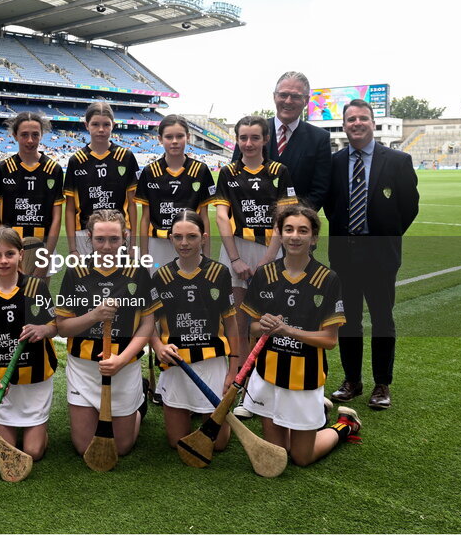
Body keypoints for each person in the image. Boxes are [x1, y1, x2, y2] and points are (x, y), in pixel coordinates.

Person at [240, 204, 362, 465]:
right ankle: (319, 414)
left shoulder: (327, 279)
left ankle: (344, 425)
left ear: (314, 238)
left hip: (304, 378)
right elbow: (250, 327)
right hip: (268, 375)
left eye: (303, 230)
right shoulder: (264, 274)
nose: (295, 236)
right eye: (289, 229)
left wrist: (288, 331)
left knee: (301, 458)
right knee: (279, 454)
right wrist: (263, 326)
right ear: (280, 235)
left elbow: (329, 341)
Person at [325, 99, 419, 410]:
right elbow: (331, 206)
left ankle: (382, 384)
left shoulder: (397, 161)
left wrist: (385, 237)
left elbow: (409, 207)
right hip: (344, 254)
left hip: (380, 255)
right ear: (344, 125)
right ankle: (352, 380)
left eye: (362, 118)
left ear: (373, 123)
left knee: (382, 319)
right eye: (351, 119)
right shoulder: (335, 162)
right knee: (348, 320)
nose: (357, 124)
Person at [214, 115, 298, 417]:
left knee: (266, 320)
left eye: (254, 138)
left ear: (265, 140)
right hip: (235, 250)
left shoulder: (279, 172)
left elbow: (283, 220)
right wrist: (235, 257)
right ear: (237, 140)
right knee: (236, 320)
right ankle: (236, 383)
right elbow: (222, 217)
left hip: (270, 252)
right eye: (243, 138)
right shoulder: (228, 172)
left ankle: (261, 388)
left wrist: (266, 260)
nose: (248, 144)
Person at [55, 209, 157, 457]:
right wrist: (94, 316)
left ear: (125, 237)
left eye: (114, 239)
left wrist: (122, 360)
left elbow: (147, 324)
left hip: (123, 365)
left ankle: (138, 404)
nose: (107, 246)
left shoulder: (138, 272)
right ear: (89, 237)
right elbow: (62, 326)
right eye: (100, 239)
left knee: (121, 448)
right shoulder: (74, 272)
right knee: (84, 448)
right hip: (83, 367)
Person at [150, 211, 238, 449]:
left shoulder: (219, 272)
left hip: (212, 363)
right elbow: (149, 324)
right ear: (170, 239)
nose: (184, 243)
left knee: (217, 444)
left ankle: (204, 408)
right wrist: (158, 346)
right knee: (177, 443)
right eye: (178, 237)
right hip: (178, 365)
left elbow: (231, 323)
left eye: (191, 236)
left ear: (204, 237)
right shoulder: (161, 276)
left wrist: (233, 370)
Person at [0, 228, 58, 460]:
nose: (3, 260)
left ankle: (37, 430)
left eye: (9, 254)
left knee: (33, 452)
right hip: (1, 383)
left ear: (20, 255)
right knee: (8, 452)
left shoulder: (36, 287)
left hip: (36, 379)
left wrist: (43, 329)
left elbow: (55, 327)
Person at [231, 71, 331, 211]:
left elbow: (319, 191)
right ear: (274, 96)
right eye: (283, 95)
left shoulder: (319, 139)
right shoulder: (250, 132)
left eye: (295, 96)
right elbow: (235, 177)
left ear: (306, 101)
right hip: (250, 225)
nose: (288, 101)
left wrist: (292, 221)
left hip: (294, 227)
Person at [136, 114, 216, 270]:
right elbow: (145, 218)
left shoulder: (201, 170)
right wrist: (144, 257)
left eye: (180, 136)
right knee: (157, 290)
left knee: (188, 289)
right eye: (169, 137)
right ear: (160, 139)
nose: (174, 141)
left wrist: (206, 255)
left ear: (188, 137)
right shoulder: (149, 171)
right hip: (157, 244)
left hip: (190, 244)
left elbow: (204, 217)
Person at [0, 112, 64, 275]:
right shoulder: (3, 169)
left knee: (37, 295)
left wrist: (47, 257)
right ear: (15, 135)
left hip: (43, 247)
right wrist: (3, 250)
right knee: (8, 296)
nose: (30, 140)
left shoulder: (54, 170)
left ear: (41, 135)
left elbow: (57, 218)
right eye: (24, 135)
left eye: (35, 135)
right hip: (8, 248)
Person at [64, 101, 139, 257]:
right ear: (87, 125)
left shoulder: (126, 157)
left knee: (119, 279)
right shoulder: (76, 160)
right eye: (95, 124)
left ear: (113, 125)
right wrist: (72, 248)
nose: (101, 129)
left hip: (118, 233)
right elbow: (70, 209)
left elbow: (132, 204)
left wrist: (133, 244)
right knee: (86, 279)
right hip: (85, 234)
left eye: (106, 125)